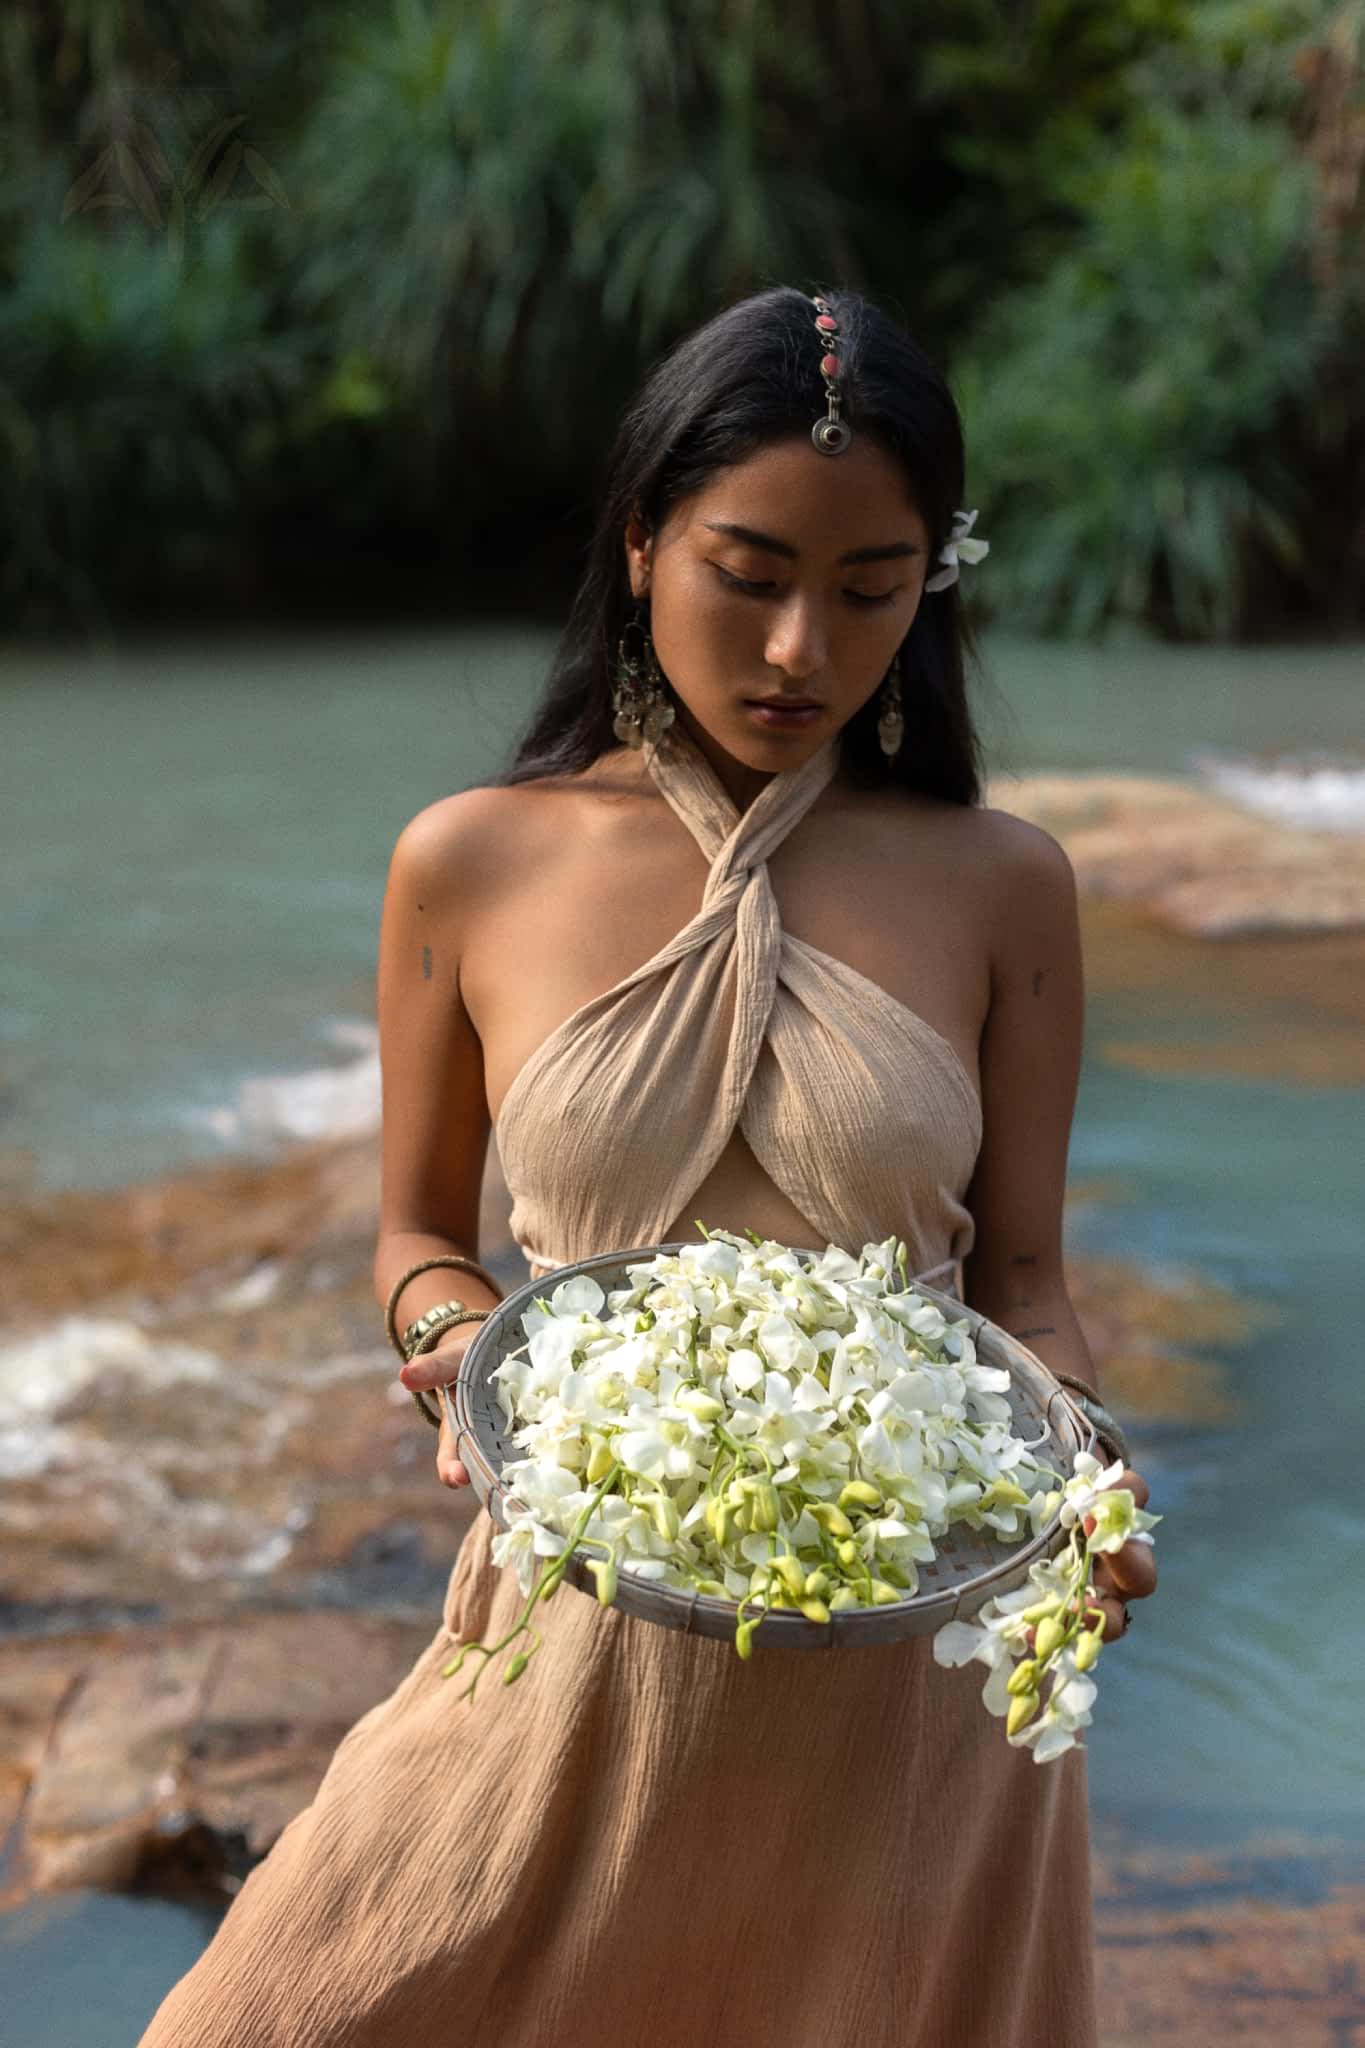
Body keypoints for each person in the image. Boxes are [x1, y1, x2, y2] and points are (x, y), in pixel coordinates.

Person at [139, 284, 1157, 2048]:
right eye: (745, 573)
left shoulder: (1001, 885)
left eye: (867, 587)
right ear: (639, 544)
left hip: (914, 1660)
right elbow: (412, 1232)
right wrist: (466, 1350)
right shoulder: (471, 864)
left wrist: (1091, 1485)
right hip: (582, 1624)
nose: (798, 653)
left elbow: (1021, 1295)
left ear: (933, 578)